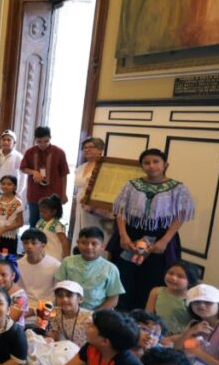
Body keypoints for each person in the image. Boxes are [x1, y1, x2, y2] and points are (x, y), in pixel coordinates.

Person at [110, 148, 195, 310]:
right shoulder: (131, 185)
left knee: (155, 276)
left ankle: (147, 315)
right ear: (141, 166)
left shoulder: (177, 188)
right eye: (146, 163)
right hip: (131, 234)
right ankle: (122, 312)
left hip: (161, 237)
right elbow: (120, 210)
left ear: (165, 165)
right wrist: (123, 235)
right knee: (125, 274)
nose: (151, 166)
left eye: (156, 162)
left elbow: (180, 215)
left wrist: (165, 240)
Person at [54, 227, 124, 311]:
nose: (89, 247)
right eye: (84, 243)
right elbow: (58, 289)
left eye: (94, 244)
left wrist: (93, 315)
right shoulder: (67, 262)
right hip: (68, 310)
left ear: (102, 246)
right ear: (77, 243)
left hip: (96, 313)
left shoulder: (111, 269)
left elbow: (113, 300)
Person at [20, 126, 70, 227]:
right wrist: (33, 172)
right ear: (35, 140)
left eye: (46, 141)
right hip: (34, 194)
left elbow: (64, 174)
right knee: (34, 223)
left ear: (50, 138)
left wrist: (64, 194)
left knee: (52, 224)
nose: (43, 144)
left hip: (53, 195)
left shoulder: (59, 152)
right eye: (39, 141)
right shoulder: (30, 152)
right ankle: (33, 242)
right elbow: (23, 168)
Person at [72, 137, 112, 245]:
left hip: (95, 207)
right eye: (85, 148)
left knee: (94, 233)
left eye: (91, 147)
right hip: (81, 205)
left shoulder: (105, 167)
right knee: (81, 231)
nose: (87, 150)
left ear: (100, 150)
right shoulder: (81, 167)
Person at [145, 261, 197, 336]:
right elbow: (148, 317)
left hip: (179, 338)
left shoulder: (192, 299)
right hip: (156, 334)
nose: (173, 278)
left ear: (190, 282)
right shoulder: (156, 291)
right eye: (170, 273)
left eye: (180, 276)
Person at [17, 228, 60, 304]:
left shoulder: (55, 265)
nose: (29, 246)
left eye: (34, 243)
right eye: (25, 243)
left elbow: (58, 291)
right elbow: (18, 288)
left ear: (43, 245)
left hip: (46, 305)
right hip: (25, 303)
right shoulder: (18, 264)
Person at [44, 280, 91, 346]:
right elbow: (54, 336)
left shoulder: (88, 317)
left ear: (80, 299)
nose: (64, 299)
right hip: (62, 350)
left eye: (69, 295)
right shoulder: (55, 312)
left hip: (83, 352)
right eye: (60, 296)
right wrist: (45, 326)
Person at [0, 175, 23, 256]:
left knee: (7, 262)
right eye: (3, 184)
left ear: (15, 187)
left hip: (8, 237)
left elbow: (20, 223)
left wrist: (3, 229)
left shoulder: (17, 202)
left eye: (9, 184)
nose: (5, 186)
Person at [0, 130, 24, 198]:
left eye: (9, 140)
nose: (6, 142)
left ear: (14, 142)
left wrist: (19, 192)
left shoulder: (18, 157)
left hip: (11, 191)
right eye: (4, 140)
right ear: (1, 141)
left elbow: (23, 176)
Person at [36, 194, 70, 260]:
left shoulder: (57, 225)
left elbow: (64, 241)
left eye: (44, 212)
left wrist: (66, 256)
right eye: (40, 211)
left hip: (54, 255)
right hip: (42, 254)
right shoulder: (40, 222)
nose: (41, 214)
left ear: (53, 212)